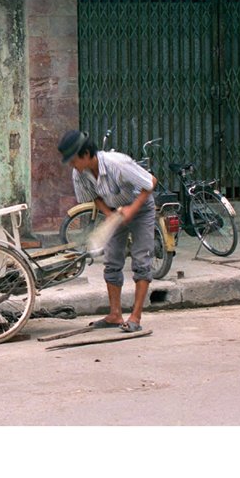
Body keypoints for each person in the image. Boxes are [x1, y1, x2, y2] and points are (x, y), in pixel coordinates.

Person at [59, 129, 156, 333]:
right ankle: (115, 314)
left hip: (141, 208)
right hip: (114, 210)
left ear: (86, 154)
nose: (71, 164)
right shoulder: (79, 173)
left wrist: (132, 210)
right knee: (112, 261)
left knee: (141, 260)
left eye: (73, 159)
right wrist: (109, 215)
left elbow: (151, 182)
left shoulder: (117, 164)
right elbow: (94, 196)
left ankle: (135, 317)